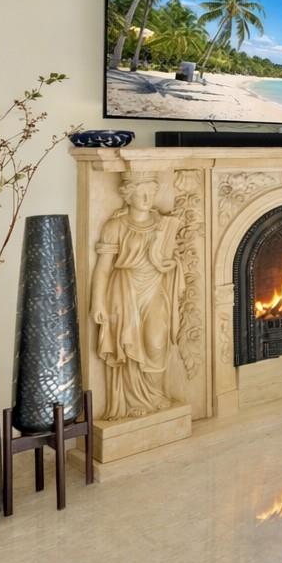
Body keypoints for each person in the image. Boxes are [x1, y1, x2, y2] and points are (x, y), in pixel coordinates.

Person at [91, 172, 184, 420]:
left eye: (151, 193)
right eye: (140, 193)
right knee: (129, 342)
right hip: (125, 289)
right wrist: (98, 301)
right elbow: (103, 267)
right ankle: (133, 402)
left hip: (155, 287)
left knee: (156, 341)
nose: (146, 198)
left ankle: (153, 394)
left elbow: (168, 257)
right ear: (128, 195)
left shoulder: (160, 222)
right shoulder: (116, 226)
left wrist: (170, 264)